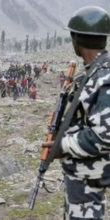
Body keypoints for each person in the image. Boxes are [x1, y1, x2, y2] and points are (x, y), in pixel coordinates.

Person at [43, 6, 110, 219]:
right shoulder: (93, 73)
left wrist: (61, 145)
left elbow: (104, 136)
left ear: (77, 40)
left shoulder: (104, 79)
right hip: (83, 176)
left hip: (90, 179)